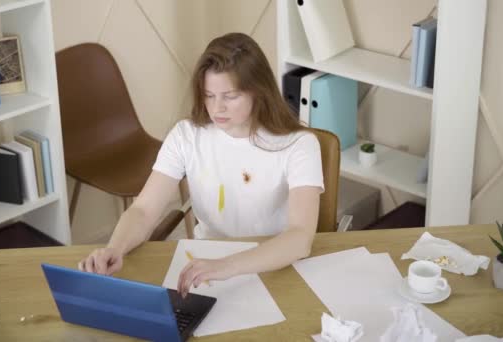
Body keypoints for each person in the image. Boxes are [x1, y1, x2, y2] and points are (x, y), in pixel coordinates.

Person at [79, 32, 324, 298]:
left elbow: (300, 238)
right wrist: (115, 248)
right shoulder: (186, 136)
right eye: (209, 95)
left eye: (229, 96)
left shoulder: (299, 144)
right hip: (206, 265)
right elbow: (144, 210)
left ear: (258, 92)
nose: (217, 108)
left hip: (273, 262)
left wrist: (227, 266)